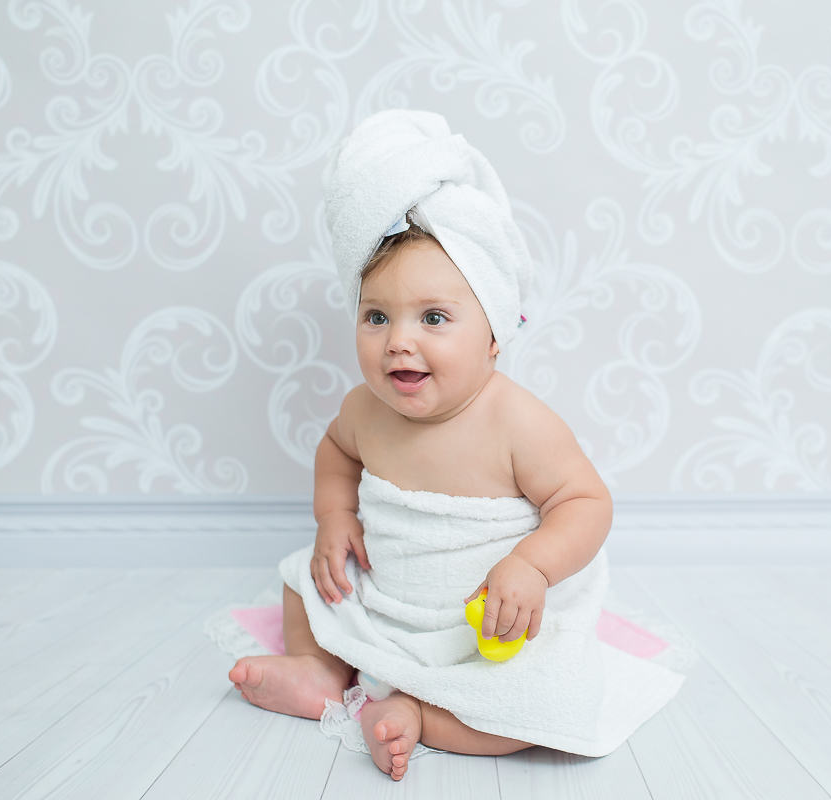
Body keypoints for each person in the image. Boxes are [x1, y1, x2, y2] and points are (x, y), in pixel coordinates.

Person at [228, 110, 682, 781]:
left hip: (486, 627)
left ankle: (420, 712)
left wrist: (530, 566)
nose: (399, 341)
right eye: (376, 316)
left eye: (434, 318)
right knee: (305, 581)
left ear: (494, 334)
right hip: (389, 605)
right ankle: (321, 670)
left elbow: (585, 501)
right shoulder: (365, 410)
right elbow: (335, 452)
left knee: (548, 703)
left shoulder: (516, 421)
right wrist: (335, 517)